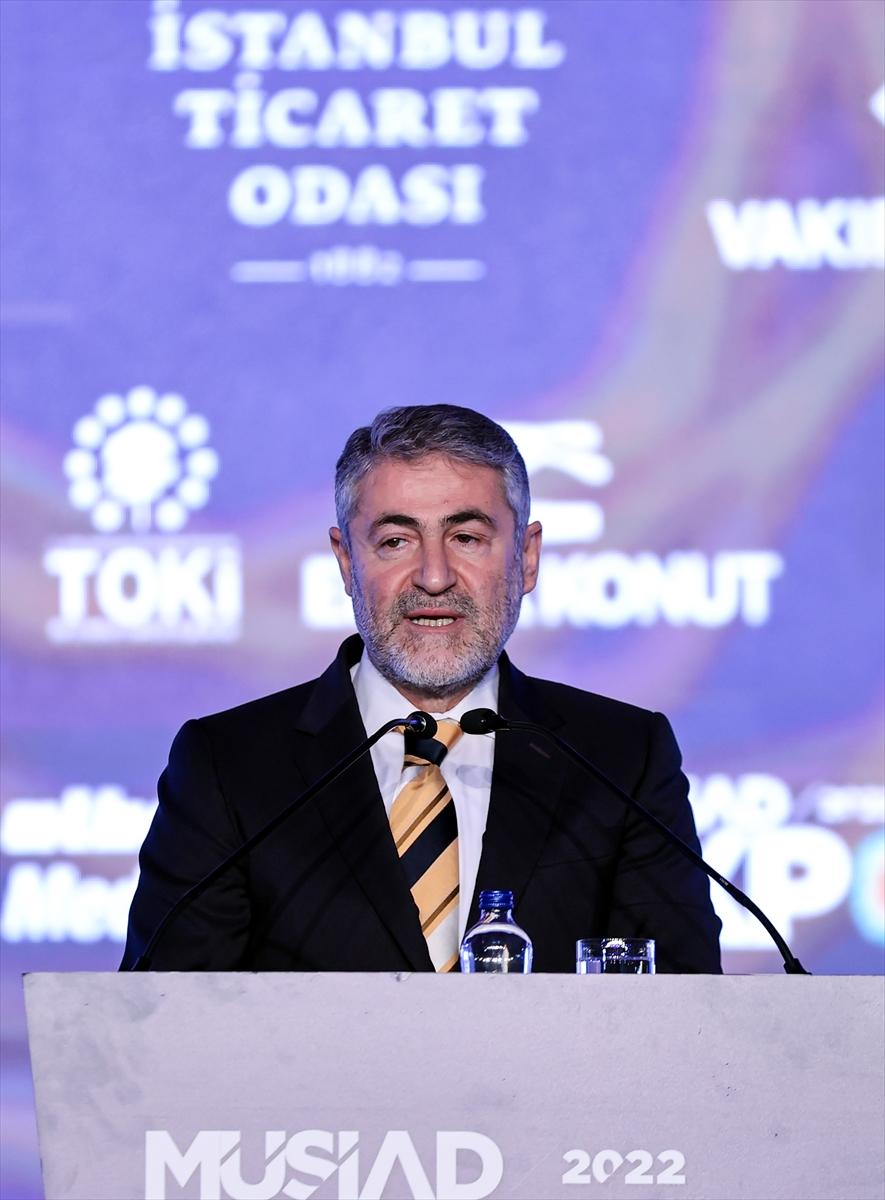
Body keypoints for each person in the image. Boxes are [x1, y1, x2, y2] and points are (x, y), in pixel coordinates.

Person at [122, 405, 721, 973]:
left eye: (467, 537)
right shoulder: (229, 765)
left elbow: (688, 1013)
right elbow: (158, 1018)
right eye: (395, 541)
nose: (434, 577)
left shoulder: (621, 759)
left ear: (528, 558)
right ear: (346, 562)